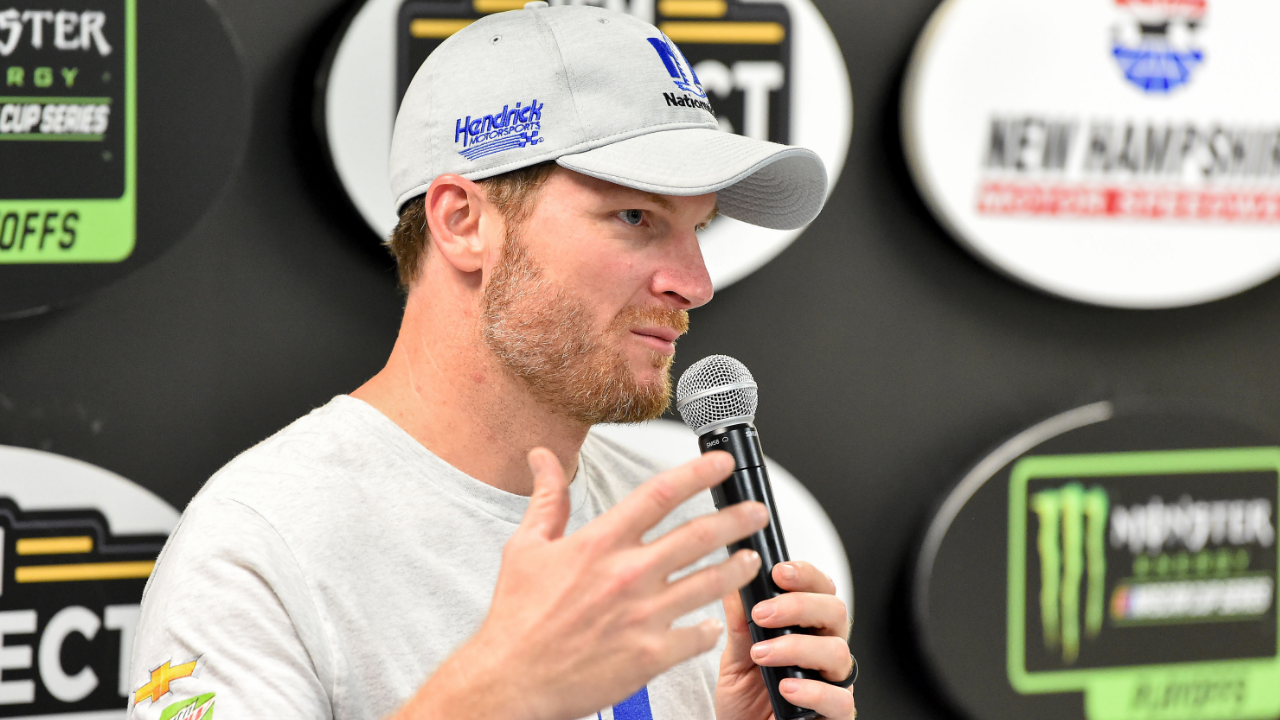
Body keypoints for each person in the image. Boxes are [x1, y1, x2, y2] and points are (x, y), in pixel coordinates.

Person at [127, 4, 854, 720]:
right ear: (463, 223)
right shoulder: (262, 542)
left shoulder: (680, 525)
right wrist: (491, 698)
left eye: (698, 229)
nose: (694, 283)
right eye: (636, 217)